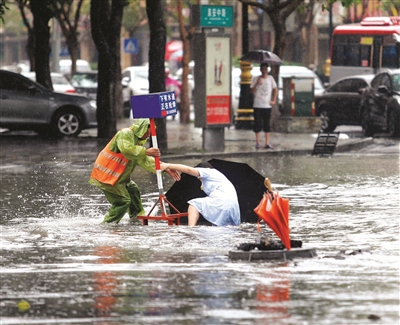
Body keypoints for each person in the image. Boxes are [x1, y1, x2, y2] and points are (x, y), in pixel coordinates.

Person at [89, 118, 180, 224]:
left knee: (133, 190)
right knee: (123, 201)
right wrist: (146, 151)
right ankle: (108, 224)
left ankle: (136, 217)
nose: (150, 135)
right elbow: (127, 150)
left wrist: (165, 168)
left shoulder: (137, 142)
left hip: (120, 177)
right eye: (149, 131)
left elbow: (143, 160)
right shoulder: (125, 133)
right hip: (108, 176)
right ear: (143, 129)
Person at [160, 161, 241, 227]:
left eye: (198, 177)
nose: (199, 179)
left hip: (221, 202)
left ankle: (191, 229)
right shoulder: (219, 176)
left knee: (193, 204)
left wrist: (168, 165)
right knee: (223, 228)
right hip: (232, 206)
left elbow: (188, 170)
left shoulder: (207, 171)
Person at [250, 62, 278, 149]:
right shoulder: (255, 79)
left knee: (267, 124)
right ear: (260, 69)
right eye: (262, 69)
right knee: (257, 123)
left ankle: (267, 142)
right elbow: (252, 91)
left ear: (267, 70)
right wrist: (257, 83)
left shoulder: (270, 79)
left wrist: (274, 100)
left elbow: (275, 89)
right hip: (258, 104)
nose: (264, 70)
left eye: (265, 69)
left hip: (267, 105)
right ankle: (258, 142)